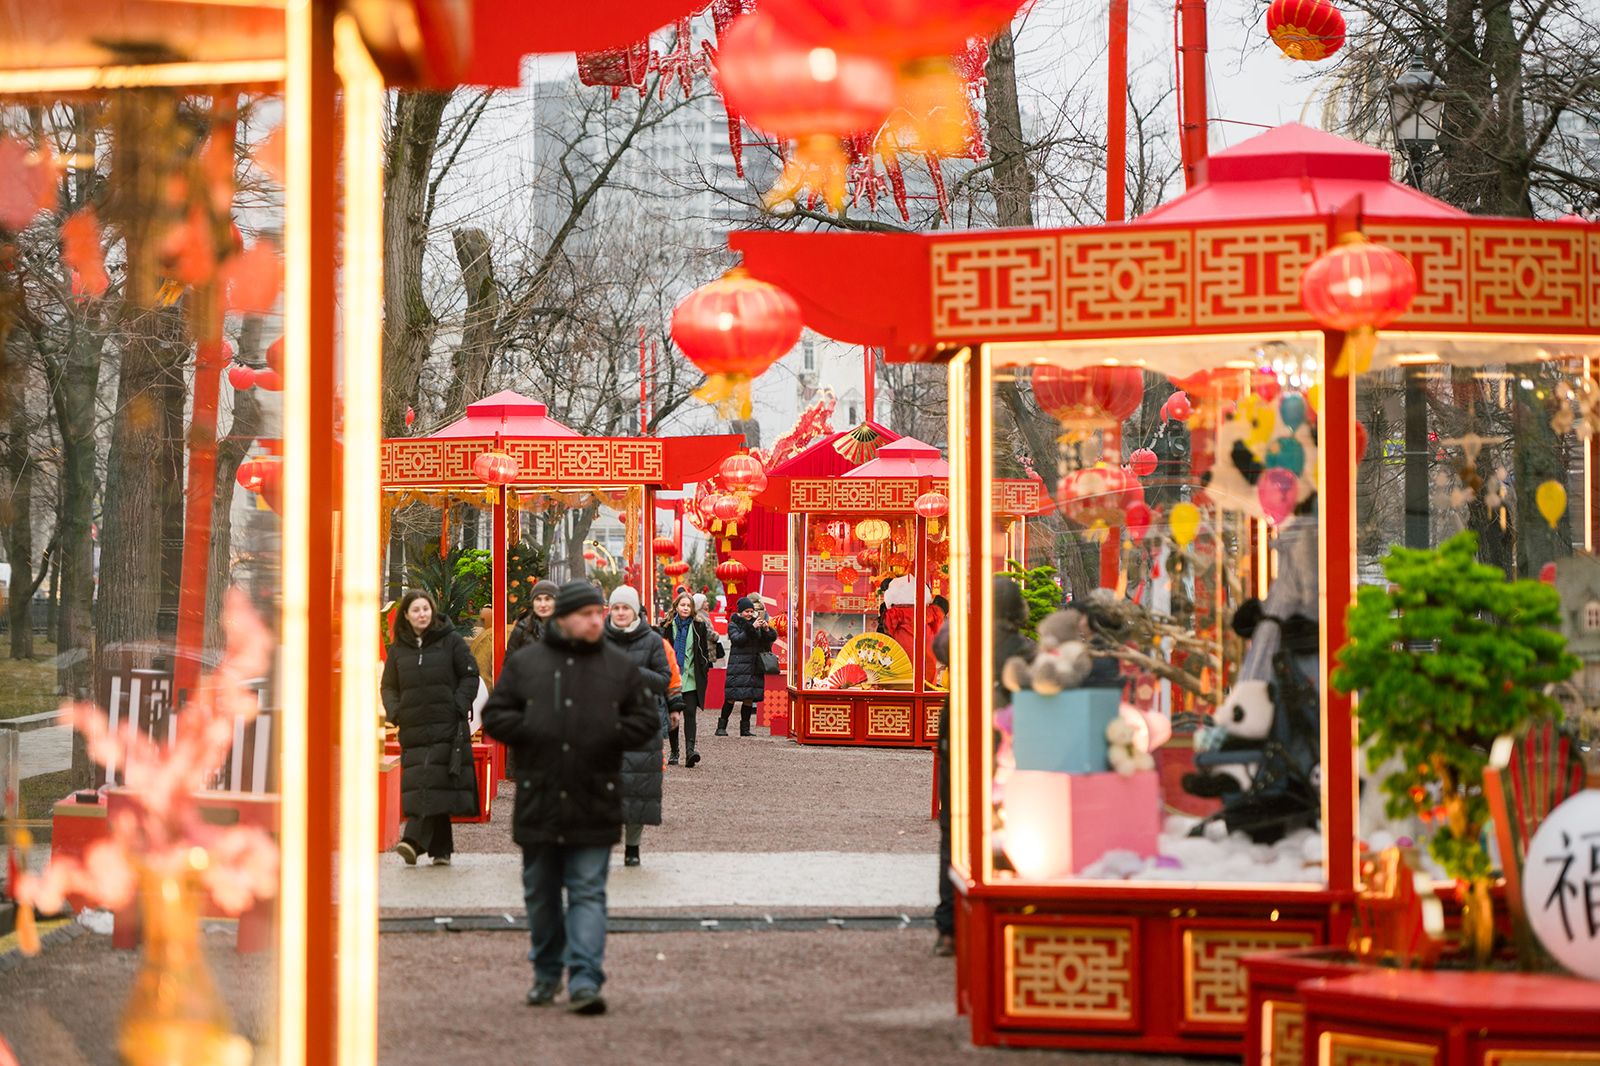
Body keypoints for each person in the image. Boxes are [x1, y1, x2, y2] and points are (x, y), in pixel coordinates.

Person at [483, 580, 658, 1015]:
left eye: (600, 613)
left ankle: (583, 977)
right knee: (540, 894)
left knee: (586, 892)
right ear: (563, 618)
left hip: (594, 796)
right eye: (588, 614)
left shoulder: (618, 667)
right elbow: (496, 714)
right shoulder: (526, 664)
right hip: (540, 796)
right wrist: (533, 733)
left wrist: (608, 735)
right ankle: (546, 973)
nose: (598, 619)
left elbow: (645, 720)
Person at [928, 577, 1034, 957]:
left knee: (953, 833)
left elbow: (940, 647)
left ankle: (949, 927)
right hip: (1006, 751)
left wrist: (961, 613)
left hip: (957, 739)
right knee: (1004, 828)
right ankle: (999, 917)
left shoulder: (963, 640)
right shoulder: (1027, 651)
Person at [381, 589, 481, 867]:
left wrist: (458, 705)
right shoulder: (399, 649)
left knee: (429, 778)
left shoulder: (451, 641)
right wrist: (396, 711)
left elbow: (469, 675)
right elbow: (388, 685)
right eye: (415, 610)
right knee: (428, 781)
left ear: (432, 611)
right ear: (406, 615)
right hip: (412, 726)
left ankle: (412, 840)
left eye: (425, 609)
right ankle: (441, 850)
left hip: (446, 725)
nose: (421, 614)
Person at [602, 585, 674, 867]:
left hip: (640, 723)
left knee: (637, 787)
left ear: (635, 611)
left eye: (625, 608)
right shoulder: (598, 639)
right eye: (616, 607)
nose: (620, 612)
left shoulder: (652, 640)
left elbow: (663, 678)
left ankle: (633, 847)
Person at [657, 591, 722, 767]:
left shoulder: (699, 625)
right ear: (676, 607)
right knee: (674, 714)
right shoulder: (667, 626)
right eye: (682, 605)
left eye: (688, 605)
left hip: (692, 676)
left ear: (692, 608)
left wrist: (704, 665)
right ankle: (675, 751)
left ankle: (690, 751)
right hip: (673, 677)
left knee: (691, 714)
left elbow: (707, 645)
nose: (685, 608)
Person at [719, 595, 776, 737]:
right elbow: (737, 639)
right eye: (747, 611)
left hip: (753, 666)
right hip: (738, 666)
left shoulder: (756, 623)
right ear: (740, 612)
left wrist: (766, 630)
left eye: (751, 611)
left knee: (749, 697)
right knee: (731, 697)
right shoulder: (734, 624)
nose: (749, 614)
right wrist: (752, 628)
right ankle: (721, 726)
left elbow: (766, 643)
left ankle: (745, 729)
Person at [505, 579, 560, 657]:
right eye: (538, 599)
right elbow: (509, 665)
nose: (543, 604)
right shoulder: (521, 629)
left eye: (547, 599)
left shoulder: (568, 630)